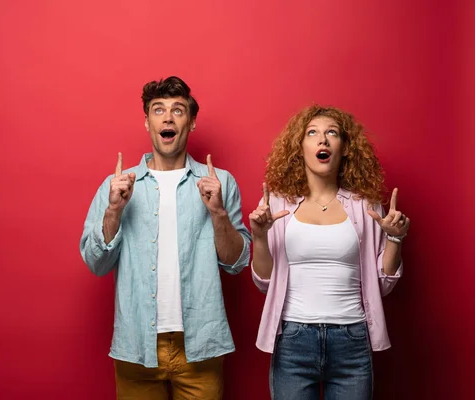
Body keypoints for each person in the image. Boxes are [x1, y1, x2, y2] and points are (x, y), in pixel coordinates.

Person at [80, 76, 251, 399]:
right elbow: (96, 263)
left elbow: (236, 263)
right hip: (137, 345)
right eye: (158, 110)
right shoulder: (117, 186)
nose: (168, 117)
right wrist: (113, 211)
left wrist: (218, 213)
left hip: (201, 343)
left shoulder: (220, 182)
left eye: (178, 110)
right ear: (147, 122)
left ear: (192, 122)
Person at [249, 105, 410, 399]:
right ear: (300, 148)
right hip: (293, 337)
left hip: (352, 338)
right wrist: (259, 237)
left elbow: (383, 284)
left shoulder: (366, 206)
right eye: (312, 133)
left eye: (331, 133)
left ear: (345, 148)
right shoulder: (277, 204)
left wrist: (395, 239)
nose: (322, 140)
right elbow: (265, 282)